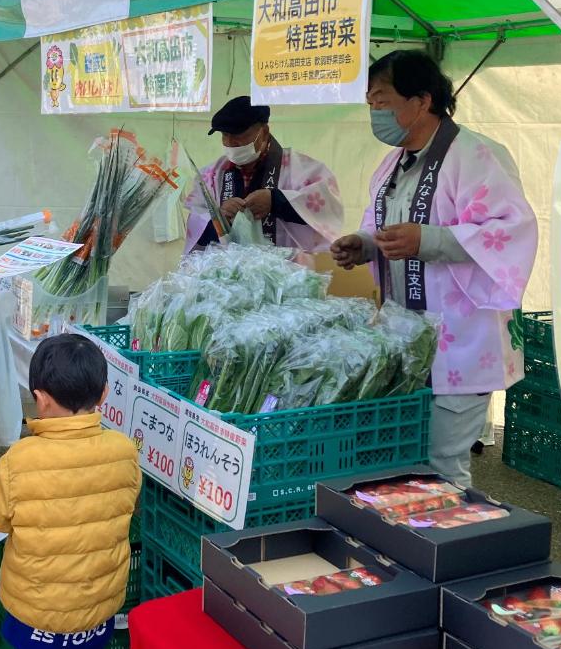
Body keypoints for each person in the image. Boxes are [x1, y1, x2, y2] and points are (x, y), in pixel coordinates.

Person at [331, 50, 537, 487]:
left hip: (460, 338)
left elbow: (512, 228)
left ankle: (448, 547)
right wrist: (365, 245)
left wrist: (430, 240)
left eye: (382, 99)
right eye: (370, 102)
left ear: (421, 101)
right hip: (407, 335)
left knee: (444, 464)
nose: (374, 112)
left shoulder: (477, 155)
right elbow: (382, 224)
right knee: (405, 457)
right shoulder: (395, 162)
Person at [0, 334, 141, 649]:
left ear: (41, 398)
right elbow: (127, 506)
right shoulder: (124, 451)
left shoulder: (20, 460)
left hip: (35, 613)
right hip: (96, 607)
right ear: (103, 394)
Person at [184, 96, 343, 252]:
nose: (231, 143)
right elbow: (195, 225)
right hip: (228, 273)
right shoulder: (211, 175)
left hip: (287, 272)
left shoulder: (304, 169)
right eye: (225, 135)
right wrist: (220, 219)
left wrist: (276, 201)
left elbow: (329, 210)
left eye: (238, 134)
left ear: (264, 132)